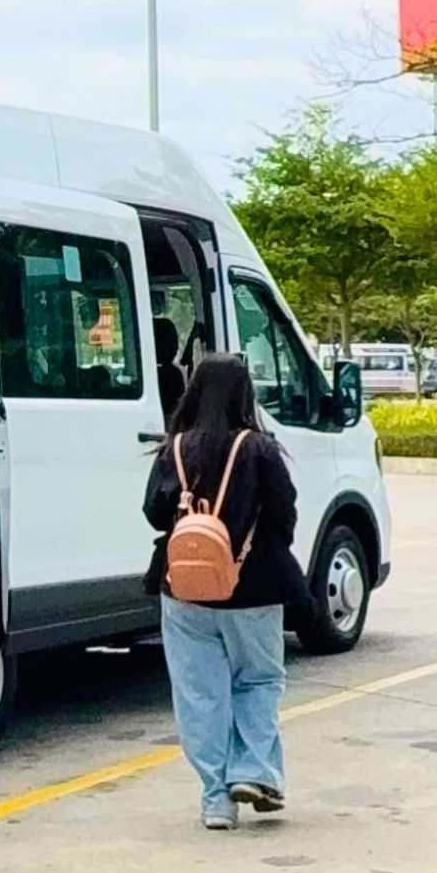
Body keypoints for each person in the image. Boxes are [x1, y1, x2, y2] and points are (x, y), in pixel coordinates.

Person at [143, 353, 299, 831]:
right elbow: (284, 513)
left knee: (199, 692)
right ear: (244, 393)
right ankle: (253, 772)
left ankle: (215, 800)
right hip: (252, 588)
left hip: (184, 587)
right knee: (257, 679)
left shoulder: (175, 448)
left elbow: (153, 511)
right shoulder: (260, 448)